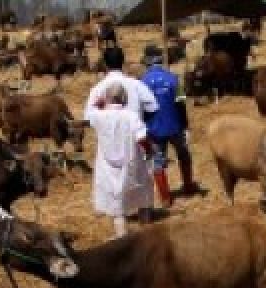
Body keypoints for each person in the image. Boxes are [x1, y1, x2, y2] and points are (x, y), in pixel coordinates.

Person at [86, 83, 153, 237]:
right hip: (131, 163)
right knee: (142, 196)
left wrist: (101, 102)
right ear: (125, 98)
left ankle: (122, 237)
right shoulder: (130, 116)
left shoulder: (98, 116)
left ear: (108, 98)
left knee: (117, 206)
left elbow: (91, 111)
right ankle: (146, 233)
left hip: (107, 167)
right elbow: (142, 137)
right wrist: (149, 150)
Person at [139, 44, 199, 207]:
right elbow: (181, 103)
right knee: (184, 154)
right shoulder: (173, 78)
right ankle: (188, 186)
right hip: (175, 126)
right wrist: (185, 126)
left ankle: (165, 198)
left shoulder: (141, 82)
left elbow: (141, 109)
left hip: (154, 129)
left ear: (147, 62)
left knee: (157, 163)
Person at [84, 45, 158, 120]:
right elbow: (152, 107)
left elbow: (88, 117)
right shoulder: (137, 85)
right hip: (134, 130)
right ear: (123, 62)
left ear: (105, 64)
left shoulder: (97, 89)